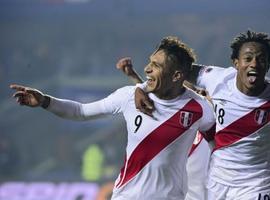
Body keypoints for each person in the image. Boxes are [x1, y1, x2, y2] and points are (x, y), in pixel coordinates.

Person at [10, 36, 215, 200]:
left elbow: (220, 146)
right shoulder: (129, 96)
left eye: (157, 65)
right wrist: (46, 101)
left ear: (177, 75)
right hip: (125, 196)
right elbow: (81, 111)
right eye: (149, 63)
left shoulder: (200, 108)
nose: (147, 69)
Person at [134, 30, 270, 199]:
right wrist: (141, 88)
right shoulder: (217, 79)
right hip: (217, 182)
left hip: (255, 183)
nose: (254, 64)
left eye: (261, 59)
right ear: (236, 63)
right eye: (248, 58)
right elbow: (171, 71)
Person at [116, 57, 214, 200]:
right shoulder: (173, 130)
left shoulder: (212, 134)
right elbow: (153, 105)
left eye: (200, 94)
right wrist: (135, 78)